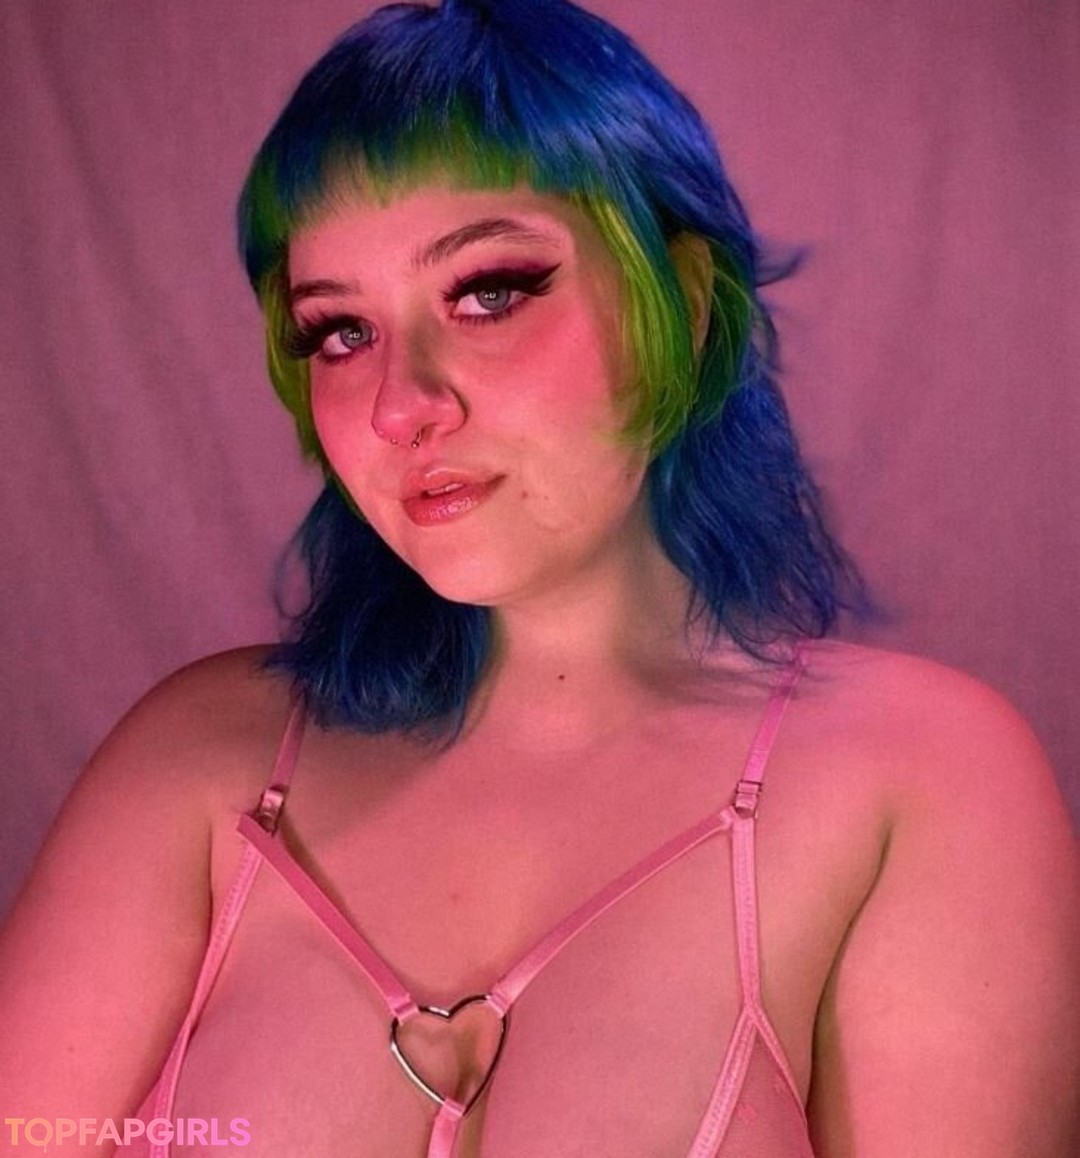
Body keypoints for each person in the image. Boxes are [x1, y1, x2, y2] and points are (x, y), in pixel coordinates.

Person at [1, 1, 1076, 1155]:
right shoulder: (193, 761)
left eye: (488, 293)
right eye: (342, 332)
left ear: (683, 304)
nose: (402, 405)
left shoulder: (920, 779)